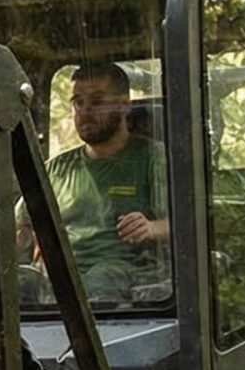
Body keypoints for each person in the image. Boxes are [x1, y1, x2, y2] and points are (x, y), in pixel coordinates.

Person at [47, 61, 168, 300]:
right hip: (60, 274)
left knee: (97, 285)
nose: (85, 111)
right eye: (78, 102)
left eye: (97, 101)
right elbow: (21, 233)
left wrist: (151, 227)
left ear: (124, 105)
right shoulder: (56, 169)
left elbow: (187, 225)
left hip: (127, 274)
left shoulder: (154, 158)